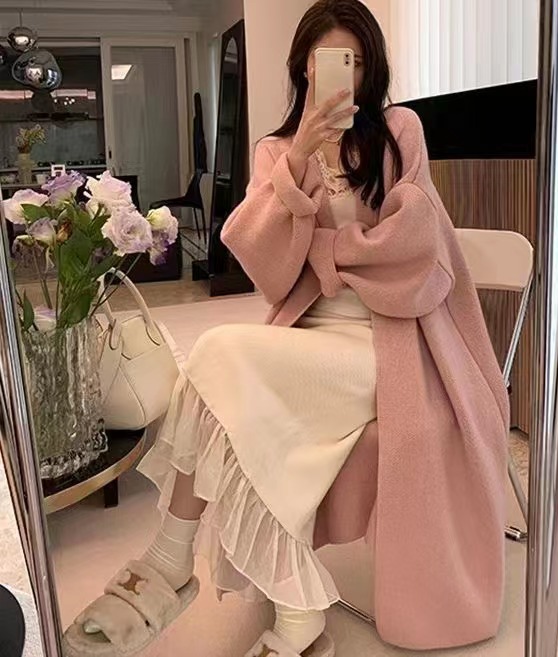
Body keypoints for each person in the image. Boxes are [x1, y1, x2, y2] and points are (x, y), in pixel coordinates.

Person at [64, 1, 509, 655]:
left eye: (356, 61)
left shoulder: (398, 130)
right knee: (229, 394)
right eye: (330, 61)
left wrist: (324, 252)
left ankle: (168, 564)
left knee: (218, 358)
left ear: (372, 68)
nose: (345, 76)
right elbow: (265, 266)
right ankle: (291, 613)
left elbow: (416, 251)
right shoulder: (276, 150)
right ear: (304, 68)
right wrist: (299, 160)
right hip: (307, 334)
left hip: (389, 341)